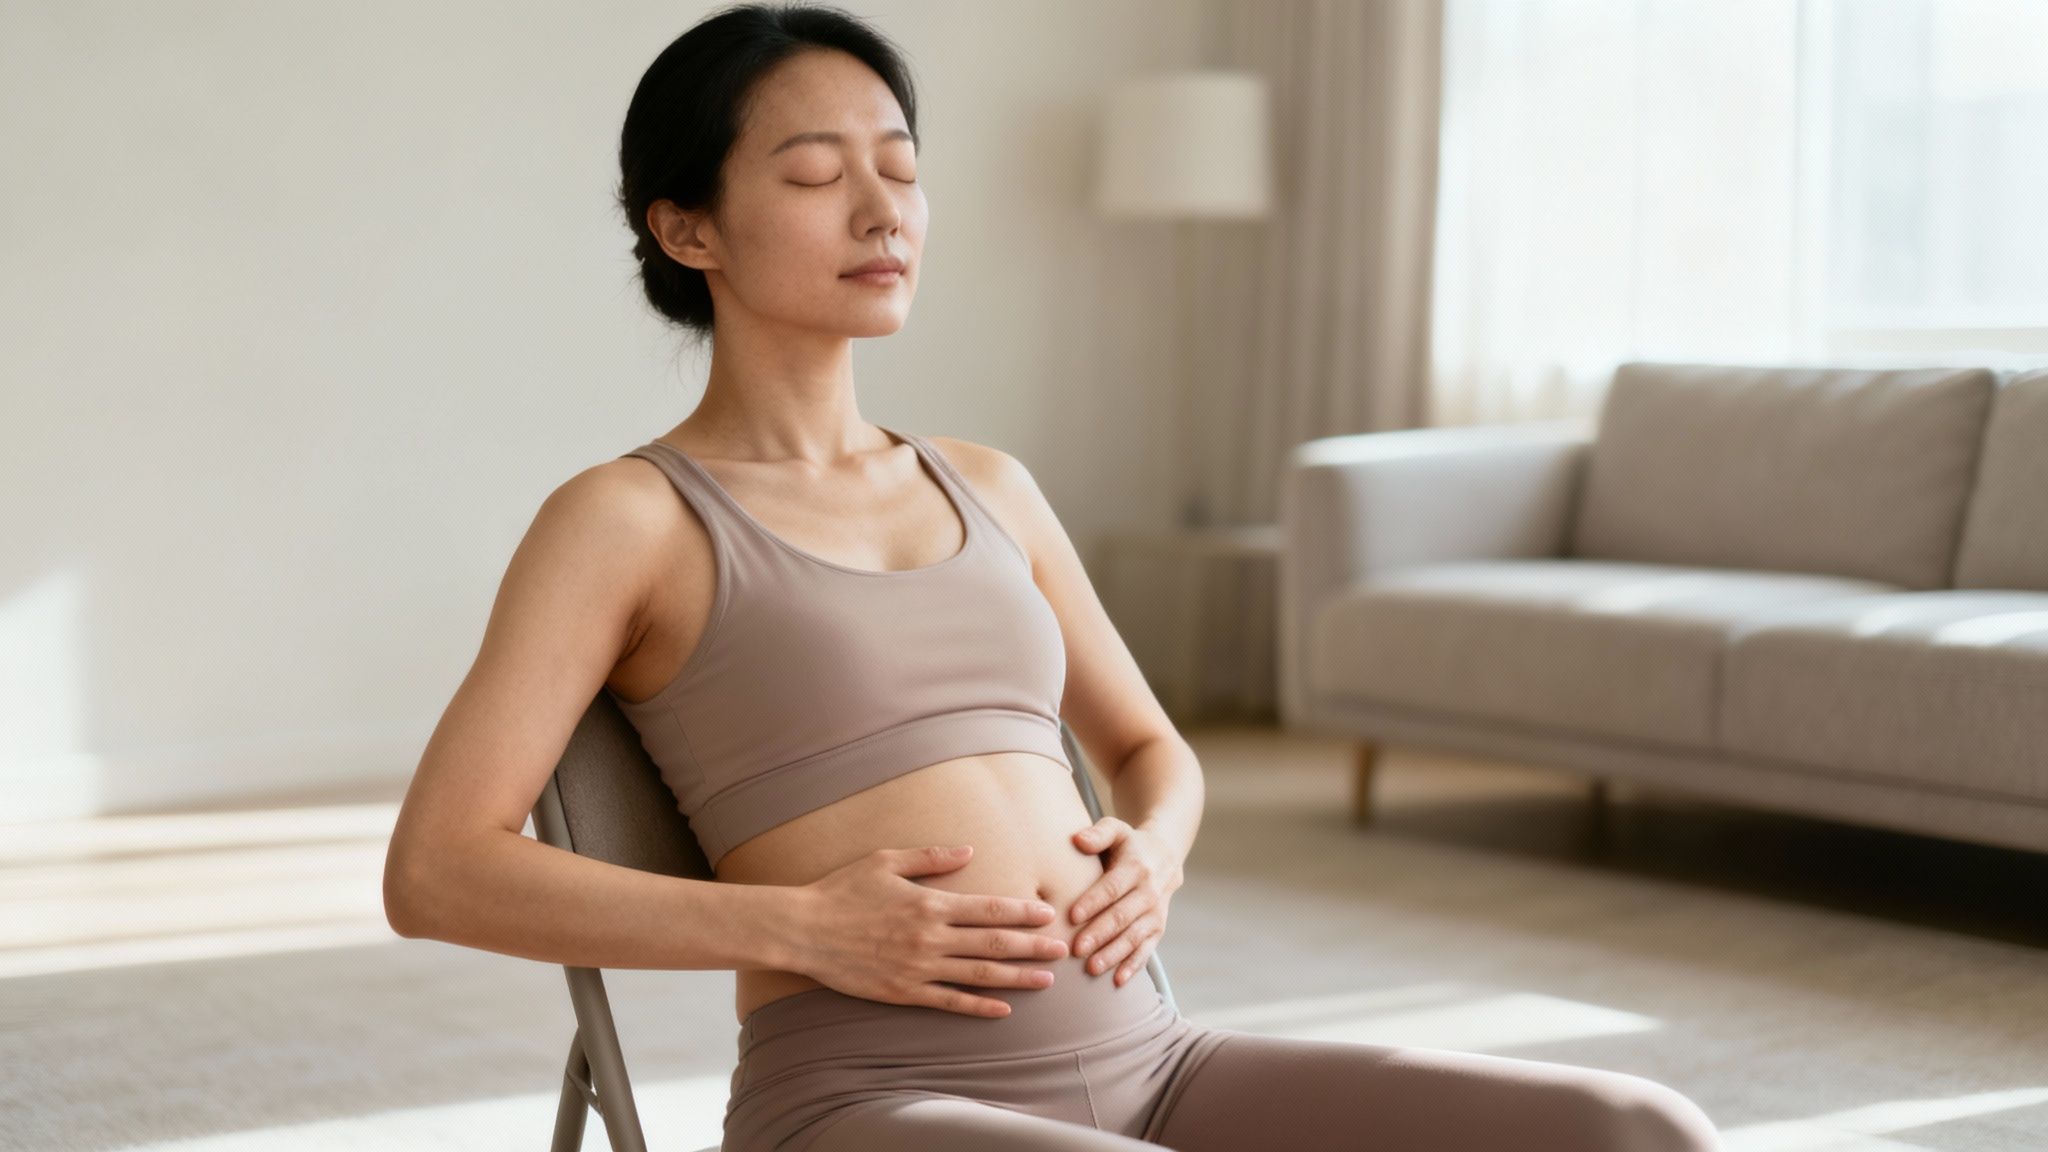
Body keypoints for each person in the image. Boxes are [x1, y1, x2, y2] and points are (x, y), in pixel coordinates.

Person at [382, 4, 1724, 1149]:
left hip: (1156, 1065)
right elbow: (435, 870)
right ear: (690, 232)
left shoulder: (991, 484)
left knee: (1638, 1129)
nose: (882, 211)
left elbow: (1150, 750)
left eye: (902, 169)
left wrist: (1156, 849)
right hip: (868, 1100)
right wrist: (798, 928)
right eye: (816, 175)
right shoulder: (626, 519)